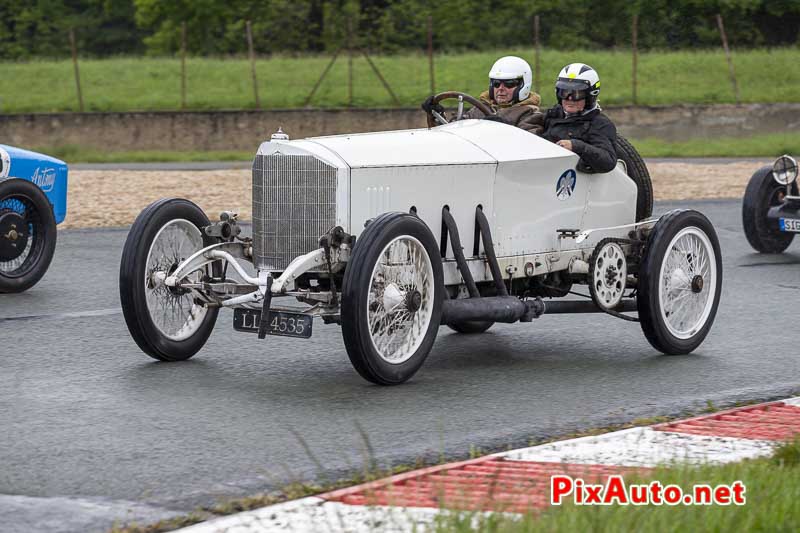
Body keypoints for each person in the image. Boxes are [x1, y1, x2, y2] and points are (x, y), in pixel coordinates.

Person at [421, 56, 544, 134]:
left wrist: (505, 129)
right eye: (496, 83)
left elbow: (530, 145)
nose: (500, 89)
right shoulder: (478, 110)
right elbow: (452, 134)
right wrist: (436, 115)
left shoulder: (531, 114)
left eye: (509, 84)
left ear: (523, 86)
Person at [540, 63, 617, 173]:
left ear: (590, 95)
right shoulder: (553, 114)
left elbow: (608, 161)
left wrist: (577, 146)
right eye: (564, 92)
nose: (570, 98)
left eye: (577, 94)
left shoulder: (599, 124)